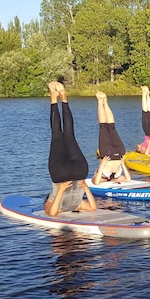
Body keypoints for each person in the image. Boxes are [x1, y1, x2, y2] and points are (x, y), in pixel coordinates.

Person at [45, 81, 97, 217]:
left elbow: (51, 212)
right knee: (58, 135)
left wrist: (62, 190)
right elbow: (93, 208)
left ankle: (62, 97)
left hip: (78, 172)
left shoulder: (76, 204)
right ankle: (56, 98)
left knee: (68, 134)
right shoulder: (78, 205)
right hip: (64, 173)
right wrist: (84, 187)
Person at [91, 91, 132, 185]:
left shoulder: (105, 177)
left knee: (108, 127)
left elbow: (96, 182)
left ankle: (103, 101)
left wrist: (102, 165)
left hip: (112, 155)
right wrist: (122, 163)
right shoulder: (114, 177)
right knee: (107, 127)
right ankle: (102, 102)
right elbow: (128, 180)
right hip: (115, 154)